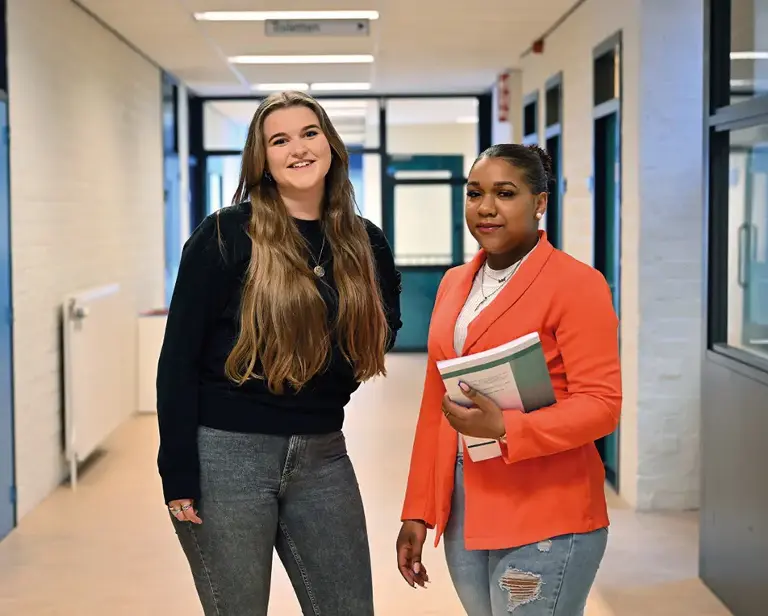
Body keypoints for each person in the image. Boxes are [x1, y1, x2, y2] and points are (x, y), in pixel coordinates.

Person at [156, 90, 402, 616]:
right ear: (262, 158)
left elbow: (381, 334)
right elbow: (177, 359)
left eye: (310, 133)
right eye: (280, 139)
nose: (299, 148)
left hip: (322, 453)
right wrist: (176, 470)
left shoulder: (366, 242)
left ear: (331, 144)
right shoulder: (225, 235)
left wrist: (324, 375)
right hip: (226, 456)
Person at [396, 143, 621, 616]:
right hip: (466, 508)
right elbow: (436, 402)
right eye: (475, 193)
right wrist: (419, 508)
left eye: (505, 193)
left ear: (539, 202)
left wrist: (507, 429)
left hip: (546, 509)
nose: (486, 208)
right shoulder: (455, 282)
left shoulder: (577, 284)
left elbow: (601, 404)